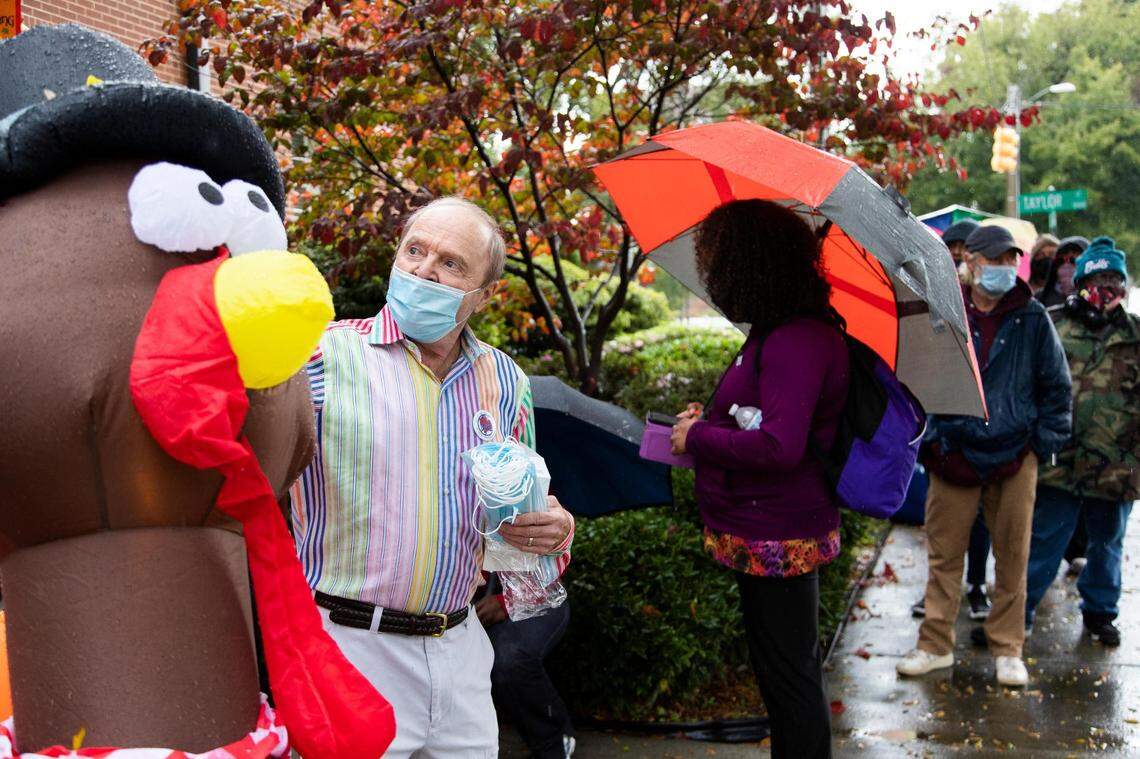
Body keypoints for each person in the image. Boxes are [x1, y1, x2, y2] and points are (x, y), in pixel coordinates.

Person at [291, 197, 576, 758]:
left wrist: (555, 528)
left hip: (462, 650)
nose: (424, 269)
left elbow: (517, 513)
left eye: (451, 263)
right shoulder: (322, 356)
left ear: (484, 294)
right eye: (415, 250)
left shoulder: (506, 380)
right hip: (349, 648)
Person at [670, 199, 849, 759]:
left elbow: (779, 444)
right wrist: (714, 421)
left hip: (780, 535)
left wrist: (696, 439)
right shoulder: (782, 330)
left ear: (749, 263)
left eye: (715, 258)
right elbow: (767, 417)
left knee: (791, 684)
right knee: (785, 678)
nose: (709, 271)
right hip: (768, 530)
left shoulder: (797, 337)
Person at [897, 225, 1071, 688]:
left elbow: (1057, 388)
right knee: (944, 557)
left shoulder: (1032, 317)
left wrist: (1041, 444)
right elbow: (918, 380)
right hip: (952, 452)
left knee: (1013, 558)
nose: (1004, 268)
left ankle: (1009, 648)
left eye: (1011, 260)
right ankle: (934, 645)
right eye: (994, 259)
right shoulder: (946, 313)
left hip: (1016, 454)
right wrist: (932, 438)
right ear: (970, 262)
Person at [1025, 237, 1139, 647]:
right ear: (1081, 282)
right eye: (1097, 278)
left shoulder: (1134, 334)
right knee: (1044, 539)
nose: (1106, 288)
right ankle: (1018, 612)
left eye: (1114, 280)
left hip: (1116, 464)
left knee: (1107, 545)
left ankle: (1100, 614)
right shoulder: (1053, 325)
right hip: (1061, 459)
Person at [475, 574, 575, 758]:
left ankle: (553, 742)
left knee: (510, 660)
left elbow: (551, 571)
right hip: (471, 601)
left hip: (542, 598)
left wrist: (506, 602)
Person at [1038, 236, 1090, 308]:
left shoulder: (1098, 299)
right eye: (1060, 261)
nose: (1066, 266)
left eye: (1073, 260)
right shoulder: (1040, 299)